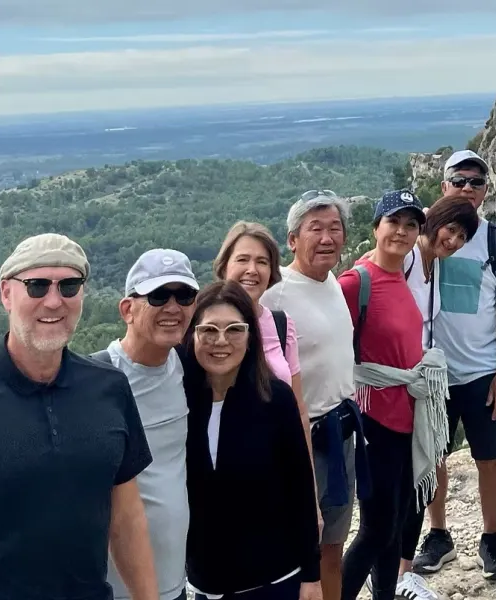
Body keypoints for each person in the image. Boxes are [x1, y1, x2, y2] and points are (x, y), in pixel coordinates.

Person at [0, 248, 201, 600]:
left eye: (69, 286)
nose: (54, 301)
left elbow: (126, 520)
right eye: (37, 286)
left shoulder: (109, 390)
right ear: (6, 293)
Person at [411, 150, 496, 582]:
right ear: (443, 186)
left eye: (476, 182)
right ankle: (438, 534)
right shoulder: (421, 233)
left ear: (485, 191)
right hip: (433, 373)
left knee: (489, 458)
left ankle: (490, 536)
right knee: (434, 457)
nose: (467, 188)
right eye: (459, 180)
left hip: (481, 371)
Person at [259, 190, 372, 600]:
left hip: (341, 435)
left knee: (332, 545)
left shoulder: (334, 286)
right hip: (301, 443)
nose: (327, 238)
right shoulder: (275, 294)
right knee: (296, 546)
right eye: (315, 229)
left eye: (335, 228)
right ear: (292, 240)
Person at [338, 190, 449, 600]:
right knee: (376, 528)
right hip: (375, 420)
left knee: (398, 518)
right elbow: (333, 347)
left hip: (405, 414)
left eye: (410, 225)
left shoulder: (400, 275)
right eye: (393, 223)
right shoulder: (356, 282)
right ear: (375, 228)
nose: (401, 232)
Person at [180, 280, 321, 600]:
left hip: (274, 582)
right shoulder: (179, 400)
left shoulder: (275, 399)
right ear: (193, 336)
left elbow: (301, 490)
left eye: (234, 329)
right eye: (209, 330)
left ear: (251, 336)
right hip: (203, 585)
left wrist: (312, 576)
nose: (221, 341)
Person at [392, 194, 479, 600]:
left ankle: (402, 572)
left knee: (420, 480)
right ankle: (389, 572)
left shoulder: (433, 266)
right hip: (394, 385)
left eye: (463, 236)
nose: (455, 241)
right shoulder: (408, 256)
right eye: (452, 230)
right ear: (435, 221)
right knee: (399, 483)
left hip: (422, 387)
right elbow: (366, 277)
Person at [213, 221, 309, 452]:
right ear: (225, 266)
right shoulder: (202, 326)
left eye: (262, 262)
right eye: (242, 259)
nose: (252, 270)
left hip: (277, 466)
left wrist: (309, 482)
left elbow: (299, 413)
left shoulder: (281, 324)